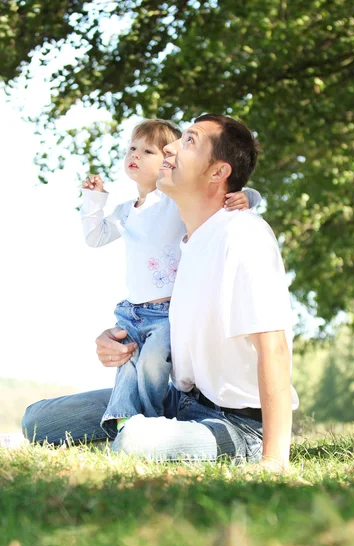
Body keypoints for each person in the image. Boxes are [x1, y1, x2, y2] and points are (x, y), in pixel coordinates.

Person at [22, 114, 298, 471]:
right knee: (37, 420)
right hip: (180, 402)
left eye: (189, 141)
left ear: (218, 173)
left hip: (237, 424)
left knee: (135, 441)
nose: (170, 147)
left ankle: (142, 433)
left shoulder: (242, 235)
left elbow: (273, 347)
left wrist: (274, 460)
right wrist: (119, 339)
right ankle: (143, 427)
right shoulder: (187, 241)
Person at [79, 118, 260, 438]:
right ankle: (123, 421)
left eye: (147, 151)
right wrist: (94, 200)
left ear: (167, 161)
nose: (134, 154)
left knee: (151, 364)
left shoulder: (174, 199)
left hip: (166, 310)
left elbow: (231, 194)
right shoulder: (125, 210)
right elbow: (95, 237)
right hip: (132, 309)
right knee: (128, 366)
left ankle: (148, 424)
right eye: (132, 148)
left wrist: (249, 199)